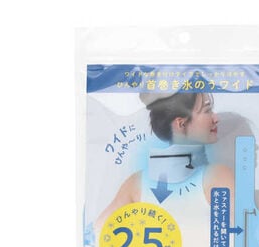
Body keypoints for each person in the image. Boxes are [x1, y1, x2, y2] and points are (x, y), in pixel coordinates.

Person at [94, 92, 234, 230]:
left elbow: (96, 232)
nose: (216, 118)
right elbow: (242, 235)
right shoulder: (218, 176)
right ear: (181, 124)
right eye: (207, 110)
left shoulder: (136, 183)